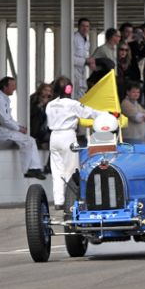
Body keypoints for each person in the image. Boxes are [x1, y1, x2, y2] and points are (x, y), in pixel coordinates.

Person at [43, 77, 98, 207]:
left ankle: (59, 201)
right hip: (68, 136)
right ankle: (71, 201)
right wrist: (108, 115)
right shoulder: (72, 104)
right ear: (69, 89)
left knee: (57, 170)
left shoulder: (50, 105)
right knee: (71, 170)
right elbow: (89, 113)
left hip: (54, 137)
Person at [0, 77, 46, 179]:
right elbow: (4, 120)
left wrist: (19, 126)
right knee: (28, 141)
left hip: (2, 129)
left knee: (30, 140)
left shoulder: (3, 99)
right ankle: (31, 169)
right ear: (5, 87)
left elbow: (8, 119)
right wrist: (18, 129)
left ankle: (33, 168)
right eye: (12, 85)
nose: (14, 88)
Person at [72, 18, 94, 96]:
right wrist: (85, 61)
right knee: (73, 93)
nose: (85, 28)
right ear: (78, 27)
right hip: (73, 71)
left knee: (82, 91)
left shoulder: (86, 40)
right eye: (83, 26)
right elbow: (69, 58)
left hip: (82, 71)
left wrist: (89, 62)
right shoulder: (73, 38)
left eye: (87, 26)